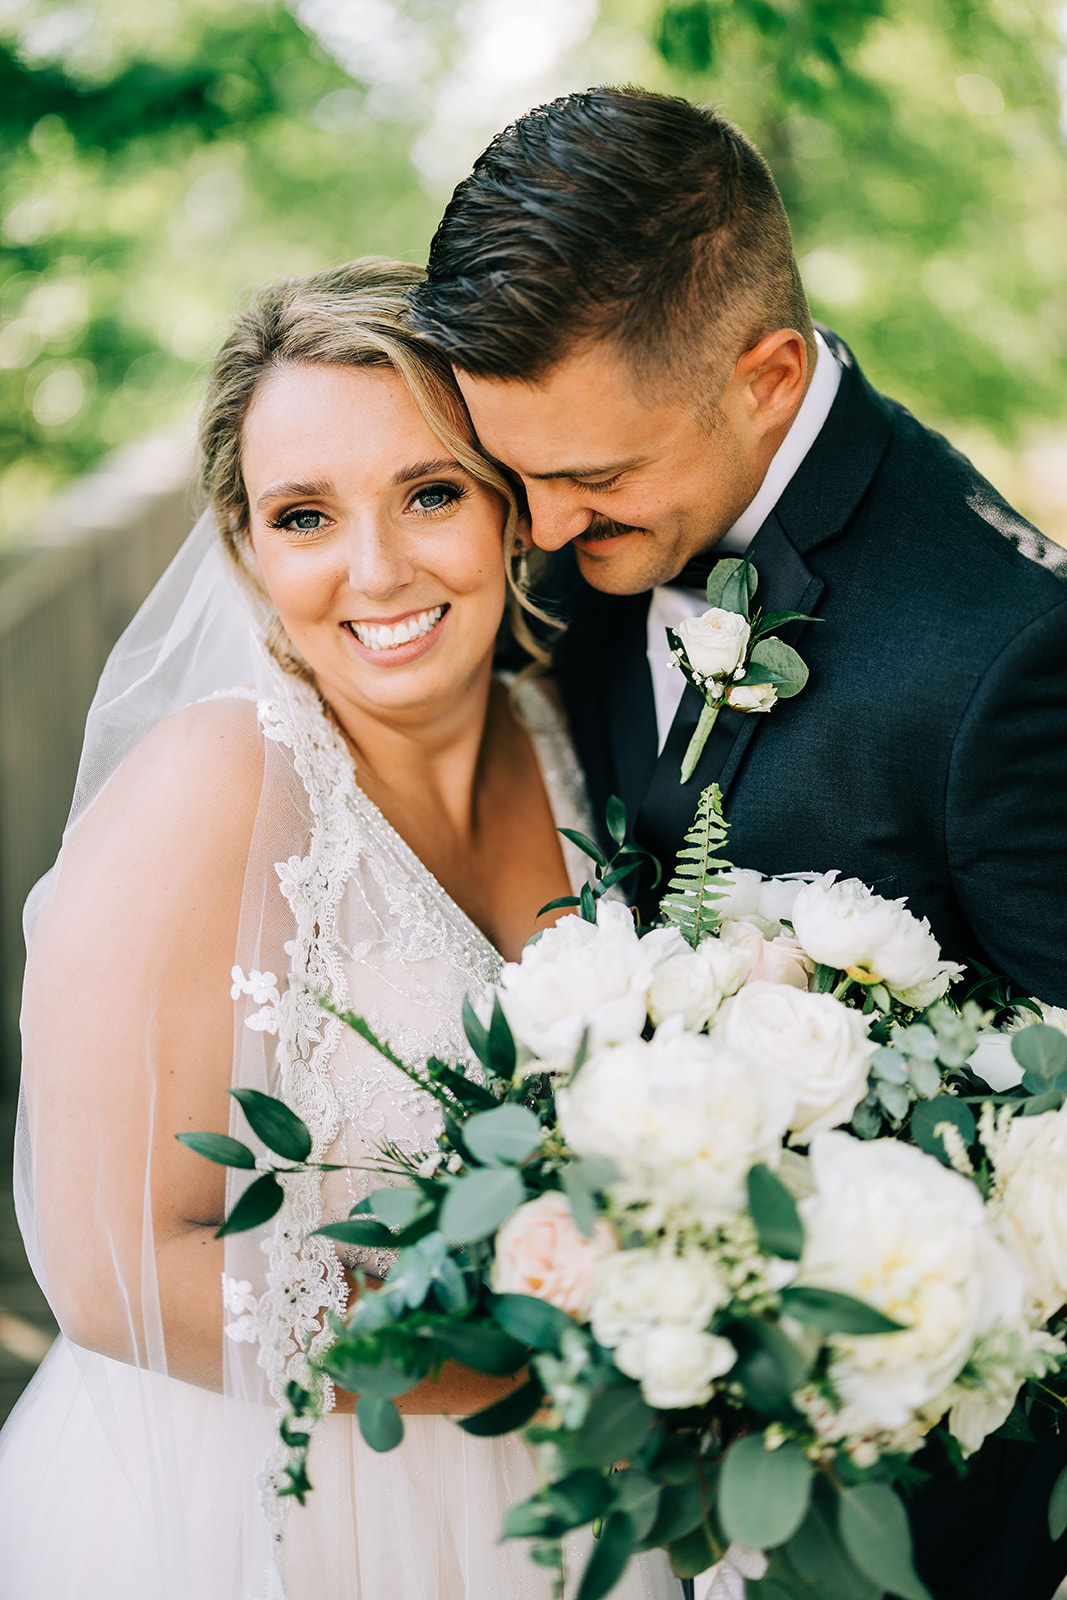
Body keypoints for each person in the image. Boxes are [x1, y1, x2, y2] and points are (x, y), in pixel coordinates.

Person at [407, 86, 1067, 1600]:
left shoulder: (1009, 661)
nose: (545, 537)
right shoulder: (572, 525)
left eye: (595, 480)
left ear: (768, 377)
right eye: (520, 477)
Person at [0, 259, 678, 1600]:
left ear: (512, 511)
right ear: (248, 548)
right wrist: (534, 1367)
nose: (377, 572)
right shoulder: (211, 792)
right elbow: (107, 1270)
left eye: (430, 494)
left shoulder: (561, 741)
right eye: (305, 516)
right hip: (281, 1511)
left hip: (586, 1505)